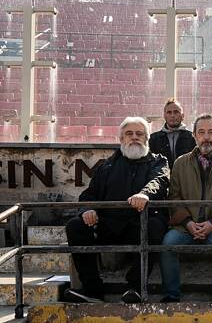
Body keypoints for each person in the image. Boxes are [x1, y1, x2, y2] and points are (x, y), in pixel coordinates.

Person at [64, 116, 169, 304]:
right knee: (75, 226)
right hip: (108, 224)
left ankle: (135, 289)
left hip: (139, 225)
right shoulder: (107, 166)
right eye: (129, 133)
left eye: (139, 134)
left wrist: (145, 194)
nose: (134, 137)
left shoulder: (158, 162)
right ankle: (92, 291)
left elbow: (159, 181)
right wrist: (88, 209)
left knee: (156, 226)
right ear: (121, 139)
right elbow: (89, 195)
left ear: (147, 138)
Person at [159, 113, 212, 302]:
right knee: (167, 245)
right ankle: (171, 296)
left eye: (211, 132)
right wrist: (188, 223)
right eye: (201, 132)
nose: (206, 137)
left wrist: (211, 223)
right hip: (185, 226)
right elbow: (174, 197)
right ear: (194, 135)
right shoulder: (180, 163)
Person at [149, 97, 196, 170]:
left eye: (176, 112)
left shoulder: (192, 138)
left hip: (185, 179)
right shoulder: (153, 139)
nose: (172, 115)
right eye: (169, 112)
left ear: (182, 116)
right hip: (162, 179)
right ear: (164, 116)